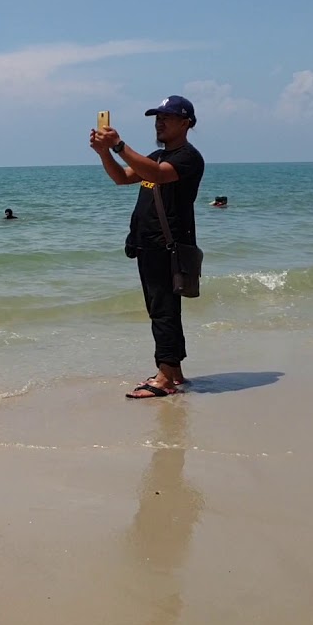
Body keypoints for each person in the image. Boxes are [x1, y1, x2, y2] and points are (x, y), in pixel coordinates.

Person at [90, 95, 205, 399]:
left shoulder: (188, 158)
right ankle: (174, 372)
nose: (159, 121)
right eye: (157, 116)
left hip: (168, 245)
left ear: (186, 123)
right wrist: (105, 154)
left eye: (166, 117)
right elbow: (122, 177)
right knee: (161, 309)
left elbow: (157, 175)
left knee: (163, 310)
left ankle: (164, 377)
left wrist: (118, 146)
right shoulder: (154, 156)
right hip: (147, 244)